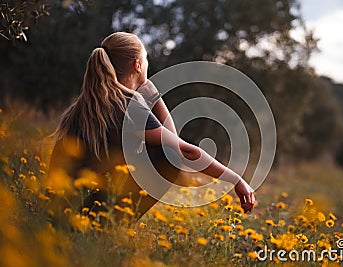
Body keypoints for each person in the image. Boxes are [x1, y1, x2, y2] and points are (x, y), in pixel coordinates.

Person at [47, 32, 255, 219]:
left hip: (58, 210)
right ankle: (105, 228)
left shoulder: (85, 105)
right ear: (137, 65)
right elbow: (181, 151)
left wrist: (153, 98)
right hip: (80, 216)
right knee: (169, 156)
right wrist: (236, 180)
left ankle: (98, 226)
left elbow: (172, 141)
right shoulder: (128, 107)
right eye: (146, 59)